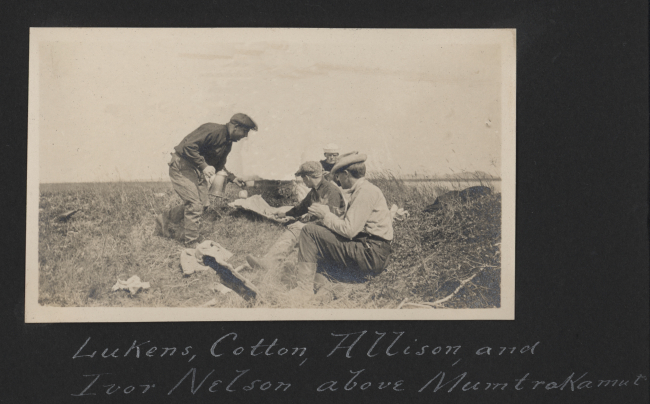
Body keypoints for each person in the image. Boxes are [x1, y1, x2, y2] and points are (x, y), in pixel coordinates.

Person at [289, 153, 394, 300]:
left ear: (345, 174)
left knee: (309, 231)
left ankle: (304, 290)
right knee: (320, 249)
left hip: (370, 253)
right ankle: (325, 289)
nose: (337, 180)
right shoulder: (364, 190)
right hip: (371, 251)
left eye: (338, 176)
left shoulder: (365, 192)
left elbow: (349, 230)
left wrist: (325, 215)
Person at [156, 113, 257, 246]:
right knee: (194, 204)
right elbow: (189, 146)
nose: (245, 136)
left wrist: (233, 178)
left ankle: (163, 220)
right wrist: (204, 166)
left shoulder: (228, 143)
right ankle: (192, 242)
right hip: (181, 166)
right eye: (245, 131)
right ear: (236, 127)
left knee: (203, 204)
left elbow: (219, 165)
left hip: (195, 170)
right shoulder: (212, 130)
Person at [245, 161, 346, 273]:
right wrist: (285, 214)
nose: (303, 181)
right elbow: (301, 208)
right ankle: (277, 264)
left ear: (307, 177)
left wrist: (305, 223)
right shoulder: (315, 190)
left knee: (297, 227)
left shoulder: (331, 191)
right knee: (297, 230)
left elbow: (333, 219)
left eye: (303, 178)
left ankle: (270, 262)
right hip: (321, 228)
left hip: (333, 233)